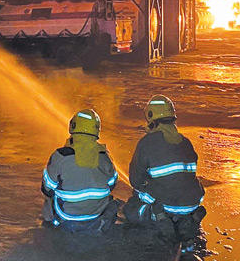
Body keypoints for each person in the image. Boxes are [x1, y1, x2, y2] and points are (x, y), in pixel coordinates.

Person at [124, 95, 206, 254]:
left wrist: (148, 185)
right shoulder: (186, 142)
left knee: (132, 208)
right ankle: (188, 220)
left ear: (151, 118)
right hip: (191, 204)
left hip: (166, 206)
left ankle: (160, 218)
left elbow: (135, 180)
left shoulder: (147, 143)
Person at [41, 108, 120, 233]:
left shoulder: (60, 156)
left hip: (67, 216)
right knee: (112, 202)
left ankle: (54, 227)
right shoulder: (104, 156)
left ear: (73, 126)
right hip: (96, 214)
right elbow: (112, 183)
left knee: (49, 200)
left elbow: (47, 188)